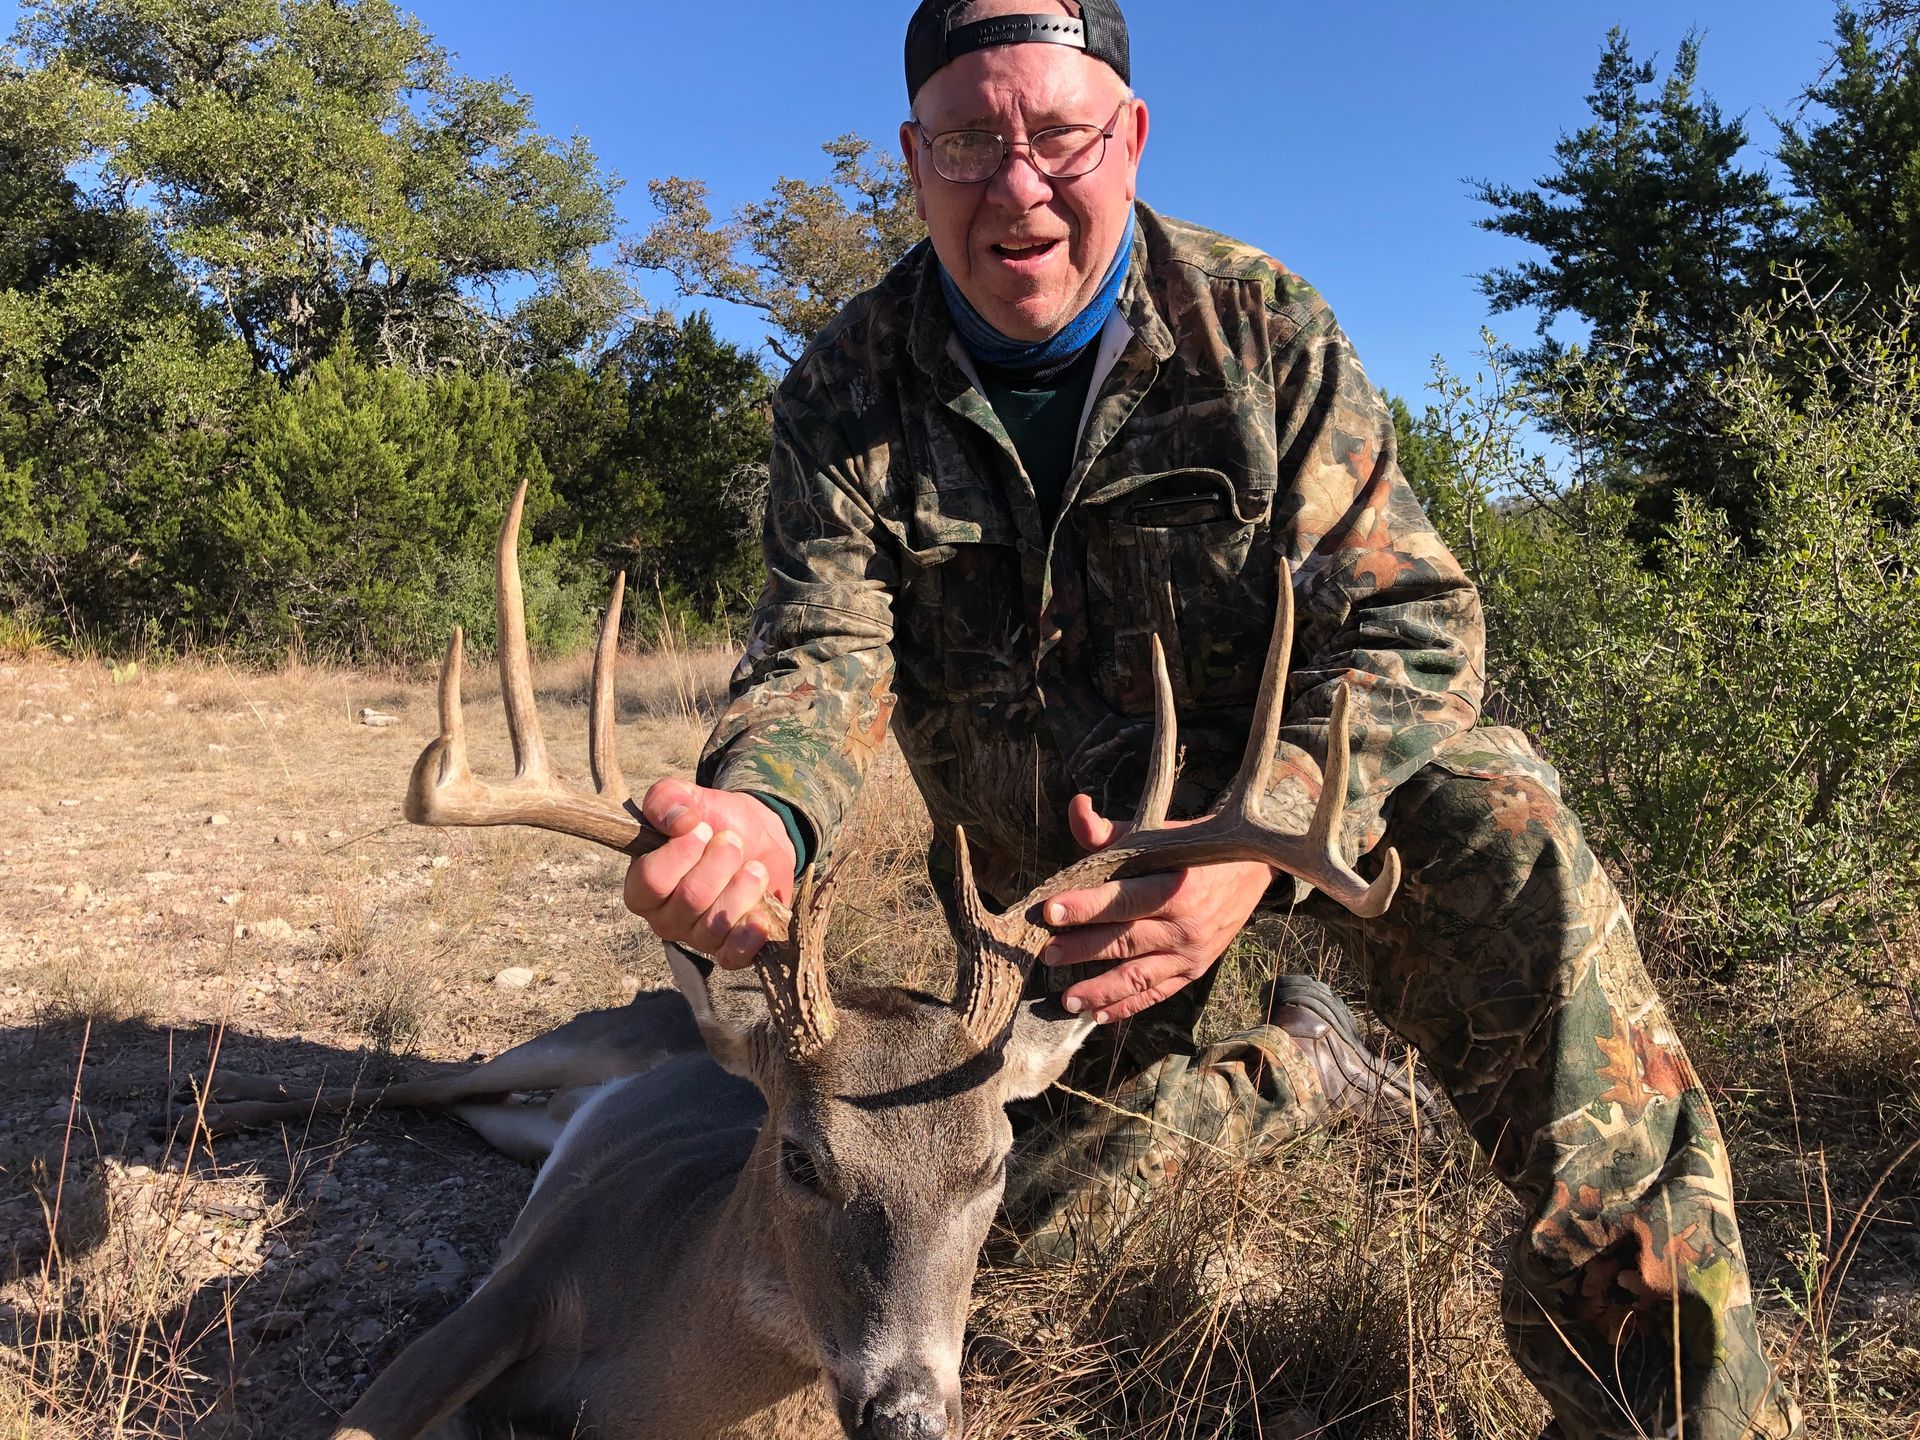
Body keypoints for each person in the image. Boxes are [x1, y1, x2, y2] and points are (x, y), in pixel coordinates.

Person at [621, 2, 1803, 1435]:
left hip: (1307, 827)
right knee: (998, 1224)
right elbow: (821, 653)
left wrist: (1249, 860)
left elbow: (1418, 627)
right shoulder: (846, 391)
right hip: (1059, 934)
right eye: (968, 143)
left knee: (1503, 823)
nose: (1019, 188)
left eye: (1059, 136)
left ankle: (1677, 1402)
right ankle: (1293, 1065)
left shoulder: (1259, 332)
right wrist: (762, 809)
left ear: (1128, 137)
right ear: (914, 161)